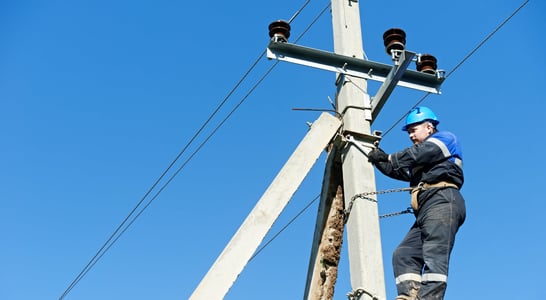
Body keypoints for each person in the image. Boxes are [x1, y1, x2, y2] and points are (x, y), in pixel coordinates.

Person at [367, 106, 466, 300]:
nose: (411, 135)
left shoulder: (445, 139)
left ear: (429, 127)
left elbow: (417, 153)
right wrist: (377, 157)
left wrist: (389, 157)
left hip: (443, 199)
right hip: (428, 208)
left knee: (434, 252)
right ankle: (409, 296)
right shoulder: (424, 160)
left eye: (414, 130)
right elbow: (399, 170)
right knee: (404, 254)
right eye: (409, 132)